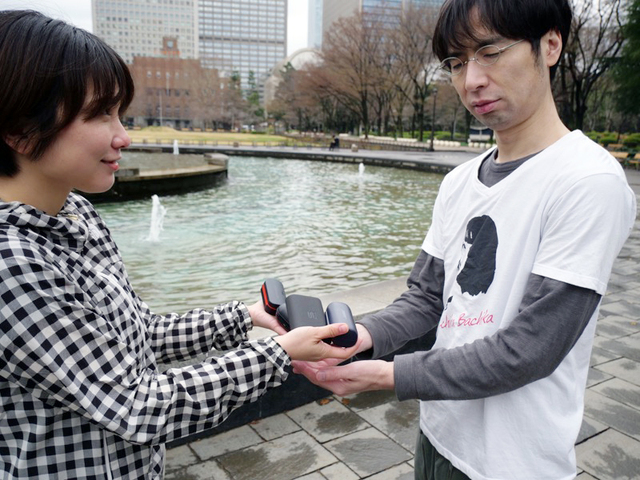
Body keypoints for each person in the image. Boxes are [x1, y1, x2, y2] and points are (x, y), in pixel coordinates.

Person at [0, 10, 358, 479]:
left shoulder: (77, 213)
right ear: (21, 131)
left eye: (119, 113)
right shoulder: (12, 262)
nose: (123, 136)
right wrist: (279, 353)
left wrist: (244, 317)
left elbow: (139, 334)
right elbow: (136, 405)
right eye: (100, 114)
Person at [294, 0, 637, 479]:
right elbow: (426, 298)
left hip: (513, 462)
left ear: (550, 45)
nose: (471, 79)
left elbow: (530, 350)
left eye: (490, 53)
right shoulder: (458, 182)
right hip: (438, 434)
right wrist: (359, 338)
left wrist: (388, 375)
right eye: (456, 63)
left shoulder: (587, 181)